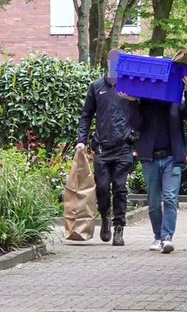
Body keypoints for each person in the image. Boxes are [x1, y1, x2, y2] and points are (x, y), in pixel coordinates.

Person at [121, 74, 187, 254]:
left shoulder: (175, 101)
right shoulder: (146, 103)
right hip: (150, 158)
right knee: (154, 201)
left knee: (170, 198)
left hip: (171, 158)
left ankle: (167, 238)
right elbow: (136, 125)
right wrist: (133, 102)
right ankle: (157, 236)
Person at [75, 50, 135, 246]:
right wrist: (81, 140)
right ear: (108, 64)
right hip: (102, 147)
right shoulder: (96, 87)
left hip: (123, 147)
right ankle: (106, 218)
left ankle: (119, 228)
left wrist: (135, 135)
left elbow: (141, 115)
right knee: (102, 188)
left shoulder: (130, 88)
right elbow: (86, 115)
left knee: (120, 189)